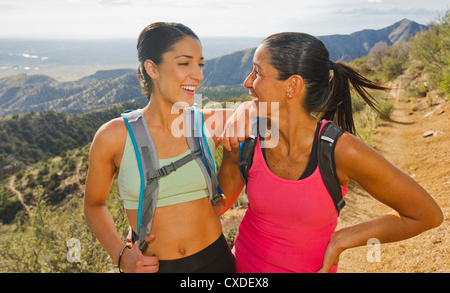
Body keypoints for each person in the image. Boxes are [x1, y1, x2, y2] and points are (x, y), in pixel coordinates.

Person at [216, 32, 443, 273]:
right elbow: (217, 206)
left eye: (257, 73)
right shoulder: (249, 140)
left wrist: (341, 240)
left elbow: (426, 214)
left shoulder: (340, 150)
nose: (247, 82)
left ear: (292, 86)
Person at [84, 22, 237, 273]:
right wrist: (120, 255)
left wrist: (245, 115)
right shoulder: (113, 136)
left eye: (200, 64)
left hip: (216, 262)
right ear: (152, 69)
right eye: (185, 63)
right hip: (151, 268)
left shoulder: (210, 122)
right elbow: (94, 204)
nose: (198, 74)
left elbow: (268, 118)